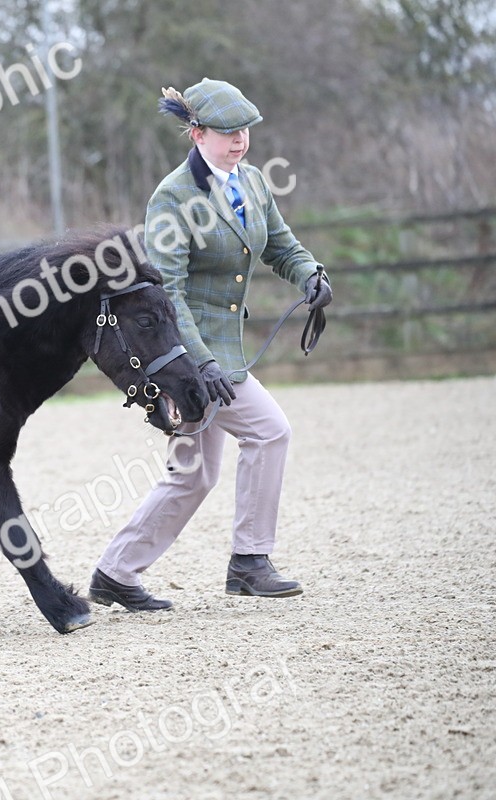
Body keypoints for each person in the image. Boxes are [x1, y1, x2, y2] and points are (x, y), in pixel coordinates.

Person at [89, 78, 332, 611]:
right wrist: (200, 364)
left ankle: (115, 573)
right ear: (196, 134)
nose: (239, 140)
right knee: (269, 433)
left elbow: (281, 244)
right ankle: (249, 563)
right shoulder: (173, 197)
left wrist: (309, 273)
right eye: (226, 132)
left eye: (243, 130)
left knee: (193, 475)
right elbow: (168, 294)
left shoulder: (253, 182)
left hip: (226, 351)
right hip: (189, 355)